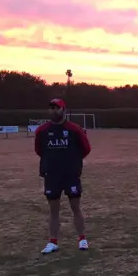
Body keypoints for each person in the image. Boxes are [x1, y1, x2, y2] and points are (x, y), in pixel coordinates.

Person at [35, 98, 92, 254]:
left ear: (63, 110)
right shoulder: (42, 130)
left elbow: (86, 149)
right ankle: (53, 242)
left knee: (76, 208)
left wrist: (72, 162)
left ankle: (82, 239)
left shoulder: (75, 130)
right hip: (52, 176)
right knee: (53, 210)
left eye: (57, 108)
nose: (54, 110)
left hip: (71, 175)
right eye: (51, 107)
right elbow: (39, 150)